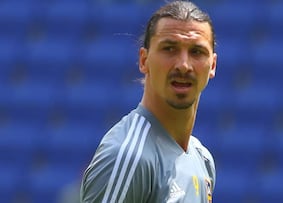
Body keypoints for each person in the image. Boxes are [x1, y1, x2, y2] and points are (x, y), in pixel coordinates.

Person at [80, 0, 217, 202]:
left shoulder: (201, 159)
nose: (184, 65)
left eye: (196, 52)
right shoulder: (129, 157)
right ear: (144, 61)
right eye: (169, 49)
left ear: (212, 65)